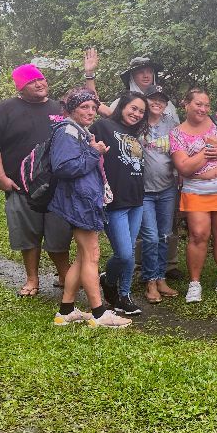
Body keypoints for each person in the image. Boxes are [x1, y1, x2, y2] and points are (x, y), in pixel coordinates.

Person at [84, 50, 181, 280]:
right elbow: (97, 107)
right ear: (132, 76)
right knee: (143, 235)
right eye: (140, 72)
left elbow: (178, 139)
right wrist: (89, 75)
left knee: (164, 232)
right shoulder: (126, 105)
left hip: (165, 182)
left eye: (149, 71)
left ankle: (163, 271)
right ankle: (138, 270)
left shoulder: (167, 107)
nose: (146, 75)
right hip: (135, 185)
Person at [0, 63, 72, 296]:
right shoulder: (5, 110)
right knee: (27, 235)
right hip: (21, 186)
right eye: (31, 81)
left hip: (57, 186)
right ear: (20, 87)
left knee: (59, 234)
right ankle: (32, 279)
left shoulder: (60, 108)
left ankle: (64, 275)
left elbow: (83, 122)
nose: (39, 84)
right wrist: (0, 177)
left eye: (41, 79)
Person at [49, 88, 131, 328]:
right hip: (79, 202)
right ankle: (99, 313)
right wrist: (94, 153)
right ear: (72, 109)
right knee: (92, 255)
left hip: (83, 200)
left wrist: (94, 151)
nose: (91, 112)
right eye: (84, 107)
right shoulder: (67, 131)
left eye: (94, 108)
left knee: (83, 256)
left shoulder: (79, 131)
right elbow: (63, 167)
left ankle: (65, 311)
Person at [170, 88, 217, 303]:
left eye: (206, 105)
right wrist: (207, 149)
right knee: (198, 234)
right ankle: (195, 283)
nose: (203, 109)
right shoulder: (176, 133)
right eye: (198, 104)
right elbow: (184, 168)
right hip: (197, 189)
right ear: (186, 104)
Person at [92, 91, 149, 315]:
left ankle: (124, 296)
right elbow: (86, 152)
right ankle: (108, 280)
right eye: (133, 108)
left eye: (141, 111)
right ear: (122, 106)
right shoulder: (103, 127)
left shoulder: (135, 134)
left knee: (130, 252)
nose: (136, 114)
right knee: (124, 254)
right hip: (114, 201)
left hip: (136, 199)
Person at [138, 85, 179, 303]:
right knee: (151, 237)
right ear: (145, 101)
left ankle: (161, 278)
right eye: (152, 98)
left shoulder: (171, 124)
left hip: (167, 188)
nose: (157, 103)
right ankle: (150, 282)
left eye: (161, 100)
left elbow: (181, 150)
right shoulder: (136, 121)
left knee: (164, 236)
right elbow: (106, 112)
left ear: (166, 105)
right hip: (143, 190)